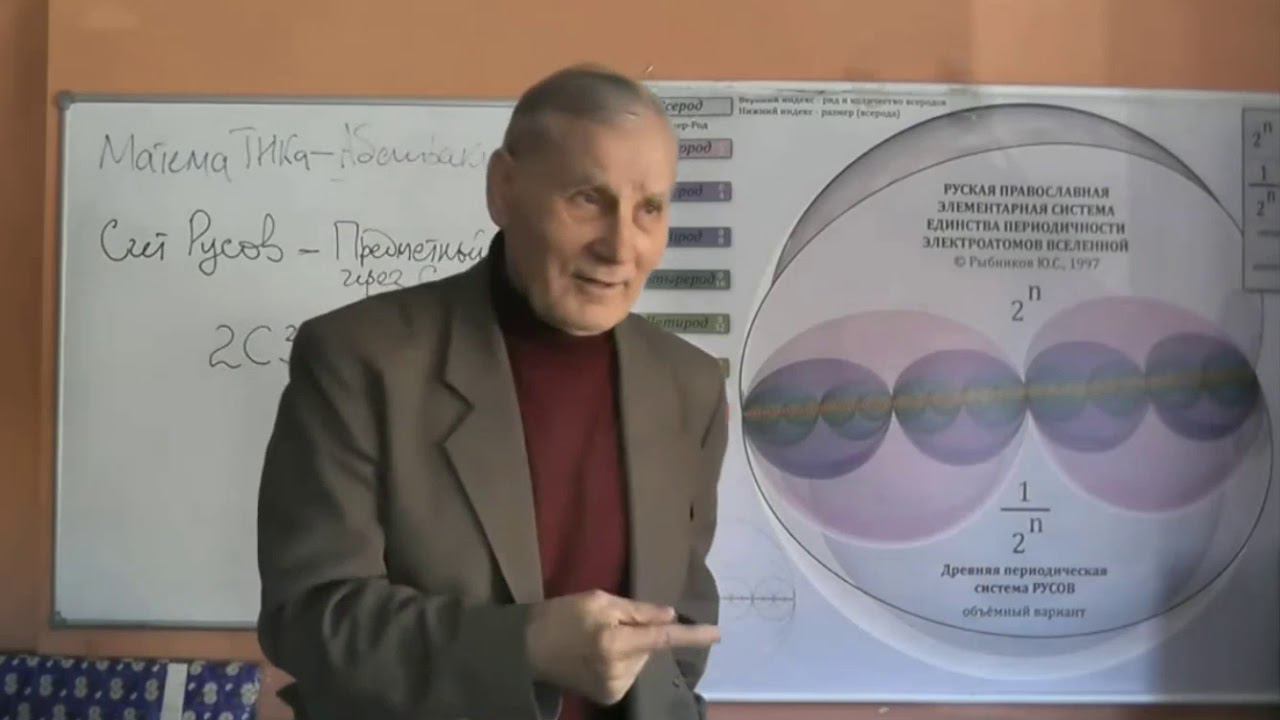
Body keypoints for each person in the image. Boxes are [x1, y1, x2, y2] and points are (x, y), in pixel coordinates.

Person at [255, 63, 729, 720]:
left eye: (649, 209)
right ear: (503, 189)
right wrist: (524, 646)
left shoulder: (690, 386)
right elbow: (310, 618)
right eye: (588, 199)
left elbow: (680, 632)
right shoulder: (360, 361)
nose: (621, 248)